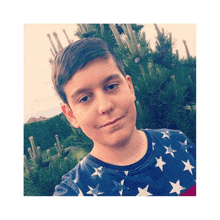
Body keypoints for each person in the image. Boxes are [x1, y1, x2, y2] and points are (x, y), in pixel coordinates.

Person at [52, 38, 196, 196]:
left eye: (111, 86)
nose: (105, 106)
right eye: (85, 98)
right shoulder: (73, 193)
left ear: (130, 87)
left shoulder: (177, 141)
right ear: (71, 115)